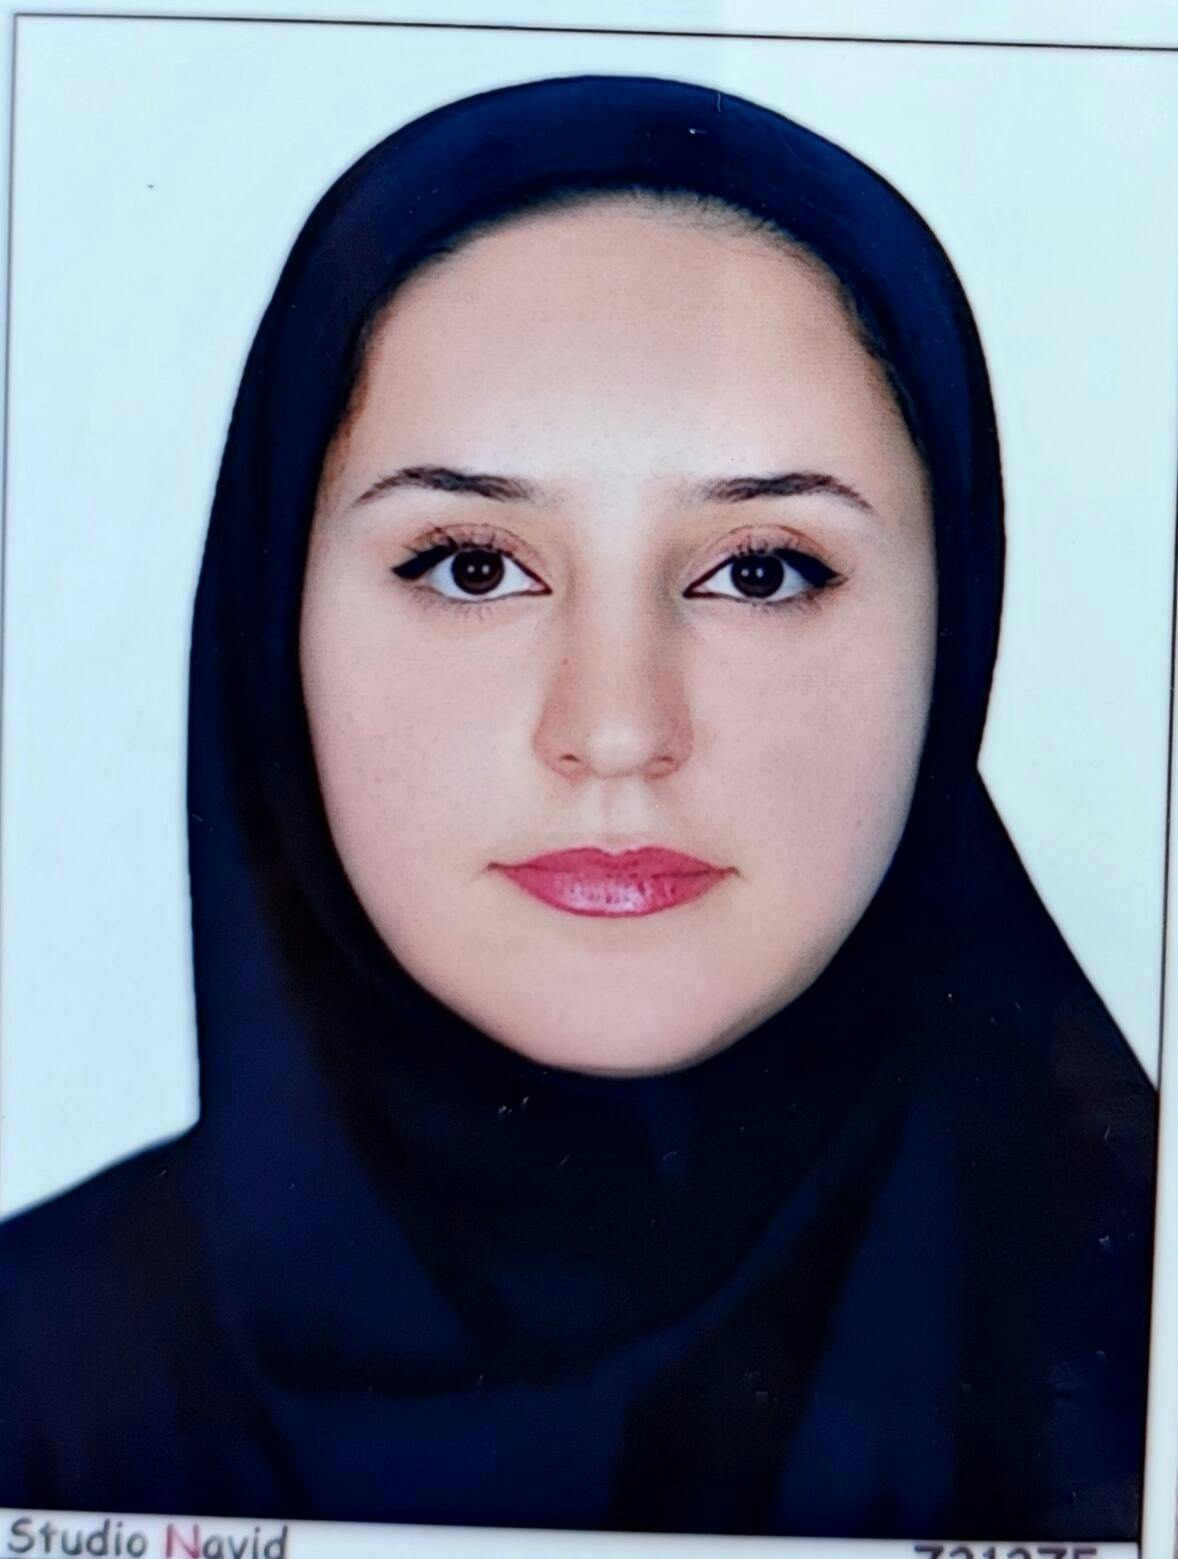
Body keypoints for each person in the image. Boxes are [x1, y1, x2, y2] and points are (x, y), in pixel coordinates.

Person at [0, 74, 1155, 1538]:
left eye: (759, 570)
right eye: (474, 566)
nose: (615, 732)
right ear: (273, 617)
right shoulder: (33, 1377)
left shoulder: (1147, 1335)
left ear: (958, 621)